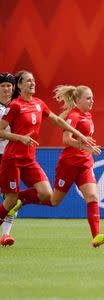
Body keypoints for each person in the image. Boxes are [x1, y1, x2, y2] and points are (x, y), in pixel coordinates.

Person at [0, 71, 95, 242]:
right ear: (19, 86)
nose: (32, 83)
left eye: (34, 81)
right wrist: (20, 138)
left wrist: (79, 135)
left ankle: (19, 197)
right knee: (10, 201)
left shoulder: (39, 103)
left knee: (46, 195)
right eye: (28, 81)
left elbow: (58, 121)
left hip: (29, 160)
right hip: (12, 159)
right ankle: (6, 230)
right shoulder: (15, 106)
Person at [0, 72, 16, 246]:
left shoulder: (17, 108)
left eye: (9, 86)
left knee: (11, 196)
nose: (6, 88)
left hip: (10, 157)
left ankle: (5, 235)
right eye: (3, 85)